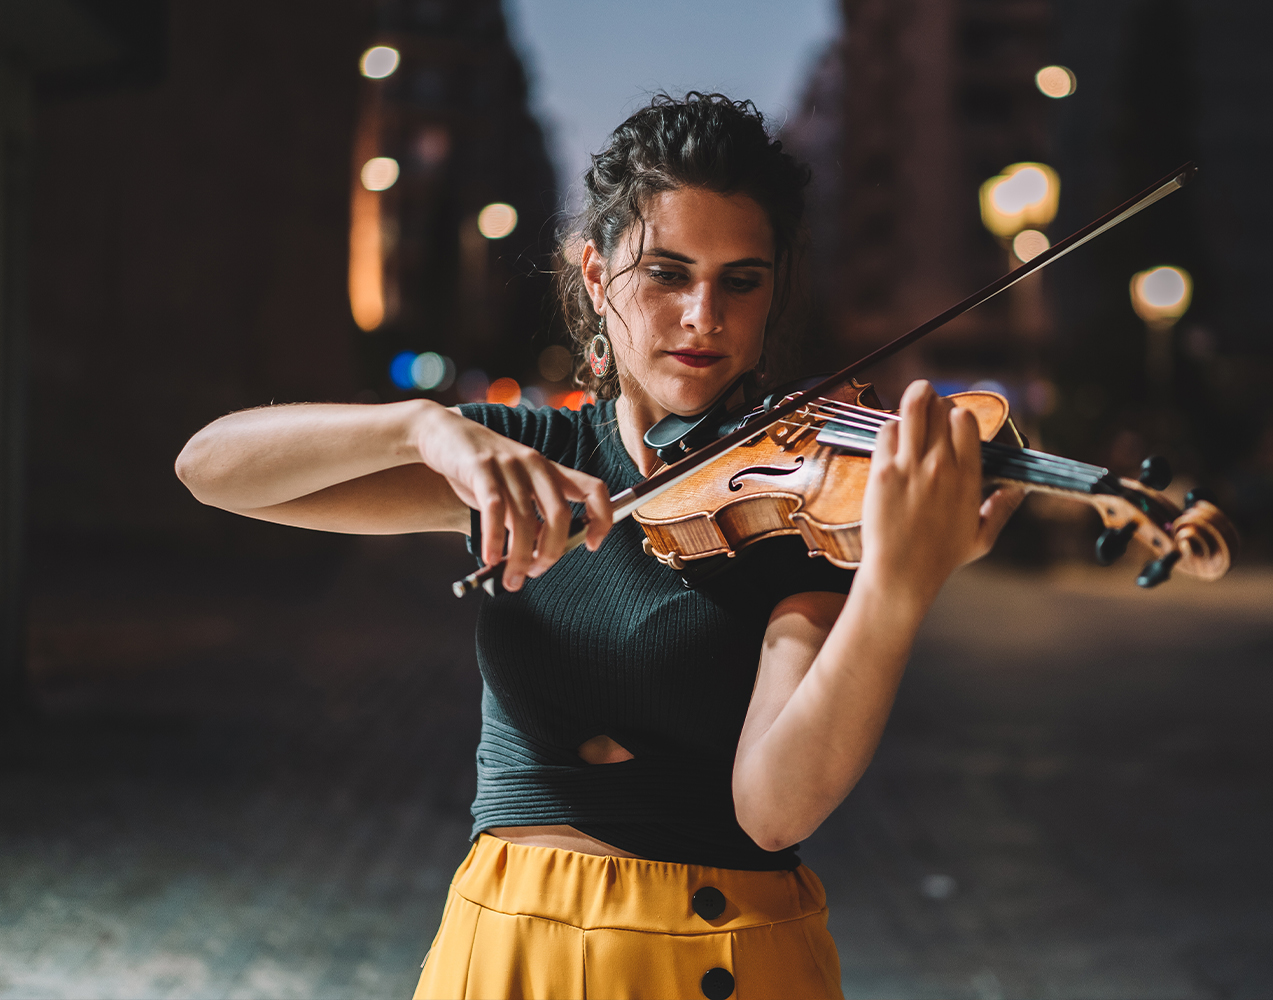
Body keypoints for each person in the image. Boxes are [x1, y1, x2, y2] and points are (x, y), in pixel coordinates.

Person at [176, 93, 1022, 1000]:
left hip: (723, 956)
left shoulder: (799, 507)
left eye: (742, 279)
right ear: (594, 275)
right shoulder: (525, 459)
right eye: (666, 272)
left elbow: (773, 811)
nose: (704, 316)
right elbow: (212, 469)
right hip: (509, 952)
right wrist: (421, 428)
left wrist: (895, 588)